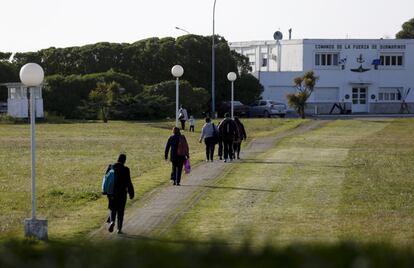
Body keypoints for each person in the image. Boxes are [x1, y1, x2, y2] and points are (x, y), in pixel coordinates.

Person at [106, 153, 134, 234]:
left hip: (112, 193)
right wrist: (131, 193)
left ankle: (112, 222)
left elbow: (106, 179)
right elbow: (129, 182)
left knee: (112, 208)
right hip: (122, 193)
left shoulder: (111, 167)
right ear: (124, 161)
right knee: (120, 211)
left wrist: (106, 191)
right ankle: (119, 229)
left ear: (117, 159)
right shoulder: (126, 169)